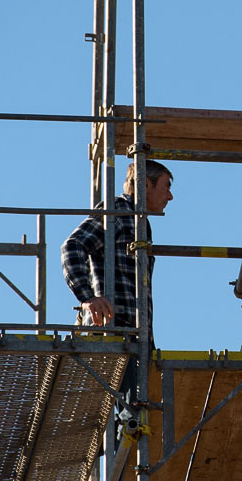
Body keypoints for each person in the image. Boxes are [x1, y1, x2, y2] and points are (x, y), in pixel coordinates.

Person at [62, 160, 174, 402]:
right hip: (113, 333)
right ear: (145, 184)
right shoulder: (117, 212)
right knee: (125, 416)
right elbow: (72, 246)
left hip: (130, 335)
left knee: (132, 418)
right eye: (165, 186)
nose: (170, 196)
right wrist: (87, 298)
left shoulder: (138, 222)